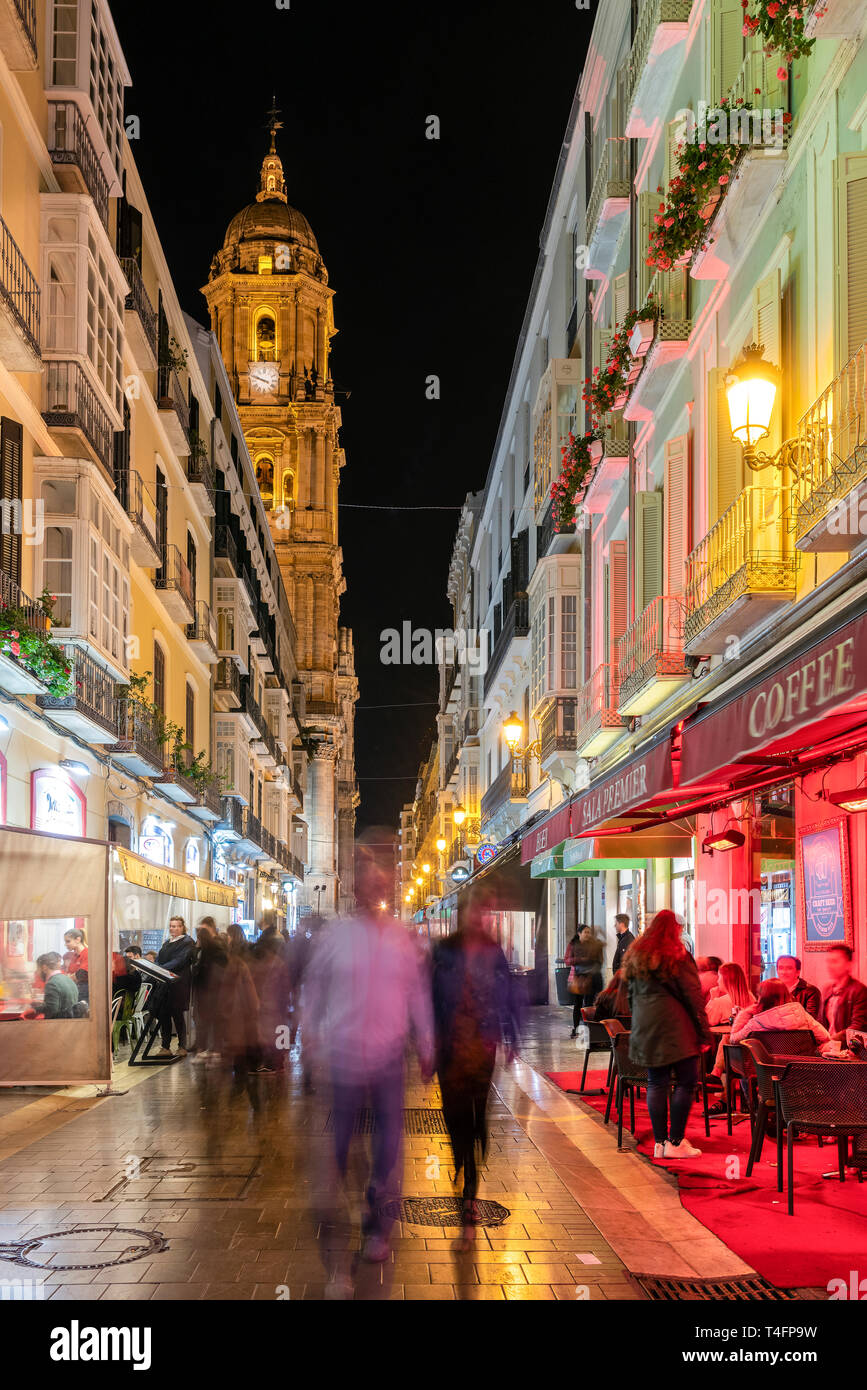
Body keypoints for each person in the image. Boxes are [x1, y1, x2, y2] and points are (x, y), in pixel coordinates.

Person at [304, 861, 435, 1264]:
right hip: (343, 1056)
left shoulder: (401, 939)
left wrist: (427, 1041)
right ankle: (340, 1211)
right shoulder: (337, 936)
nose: (375, 889)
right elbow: (314, 986)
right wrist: (308, 1033)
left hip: (389, 1058)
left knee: (388, 1144)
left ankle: (376, 1221)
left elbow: (417, 993)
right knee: (341, 1140)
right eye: (368, 882)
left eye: (381, 882)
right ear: (356, 889)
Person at [431, 883, 521, 1247]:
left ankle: (470, 1183)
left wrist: (513, 1036)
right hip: (449, 1044)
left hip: (482, 1045)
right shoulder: (444, 949)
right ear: (463, 913)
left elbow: (509, 994)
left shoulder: (494, 950)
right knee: (453, 1115)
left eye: (486, 911)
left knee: (477, 1111)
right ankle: (461, 1154)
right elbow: (428, 994)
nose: (480, 918)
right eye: (476, 911)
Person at [623, 910, 713, 1161]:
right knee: (686, 1081)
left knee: (656, 1082)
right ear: (674, 930)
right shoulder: (678, 955)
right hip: (676, 1028)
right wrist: (705, 1033)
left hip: (646, 1027)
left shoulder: (636, 956)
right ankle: (675, 1141)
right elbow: (693, 996)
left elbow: (629, 996)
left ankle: (660, 1143)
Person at [730, 977, 829, 1047]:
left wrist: (745, 1012)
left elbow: (733, 1040)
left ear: (763, 998)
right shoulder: (802, 1016)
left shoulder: (756, 1023)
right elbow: (825, 1037)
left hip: (767, 1071)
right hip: (800, 1070)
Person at [155, 916, 196, 1058]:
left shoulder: (187, 942)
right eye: (171, 926)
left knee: (177, 1014)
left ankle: (182, 1046)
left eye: (177, 926)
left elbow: (180, 960)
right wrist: (156, 968)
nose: (173, 929)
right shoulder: (167, 943)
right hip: (165, 983)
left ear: (182, 927)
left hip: (178, 983)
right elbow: (159, 958)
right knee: (164, 1014)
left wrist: (161, 969)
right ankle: (165, 1047)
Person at [191, 920, 227, 1063]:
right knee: (206, 1021)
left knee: (209, 1021)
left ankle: (212, 1050)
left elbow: (206, 970)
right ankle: (209, 1050)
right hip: (208, 991)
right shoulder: (204, 949)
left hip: (211, 991)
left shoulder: (213, 948)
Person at [819, 945, 867, 1042]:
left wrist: (832, 1041)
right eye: (829, 961)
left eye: (835, 962)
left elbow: (858, 1027)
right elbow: (820, 1022)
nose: (830, 966)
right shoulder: (827, 989)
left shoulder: (859, 990)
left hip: (848, 1048)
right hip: (828, 1047)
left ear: (849, 964)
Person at [565, 925, 604, 1037]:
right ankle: (576, 1028)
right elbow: (567, 960)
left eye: (589, 932)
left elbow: (599, 960)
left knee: (588, 1004)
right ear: (579, 933)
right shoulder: (573, 945)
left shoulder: (593, 945)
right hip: (578, 978)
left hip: (591, 978)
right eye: (585, 932)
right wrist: (580, 960)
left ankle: (588, 1029)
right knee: (578, 1004)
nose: (587, 934)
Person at [36, 952, 79, 1019]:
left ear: (44, 968)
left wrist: (35, 1009)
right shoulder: (68, 979)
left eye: (38, 969)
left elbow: (51, 1010)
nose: (37, 972)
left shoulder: (52, 983)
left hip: (59, 1025)